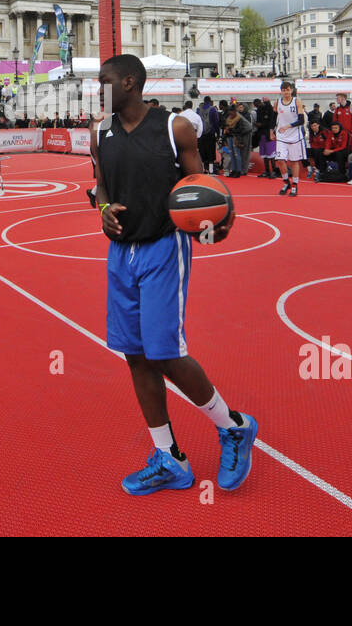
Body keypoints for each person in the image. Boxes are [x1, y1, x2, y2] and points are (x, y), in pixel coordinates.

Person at [91, 54, 256, 495]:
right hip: (121, 253)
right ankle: (170, 458)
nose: (97, 86)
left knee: (164, 352)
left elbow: (204, 187)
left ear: (129, 82)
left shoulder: (173, 127)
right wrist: (104, 209)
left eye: (103, 80)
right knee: (135, 354)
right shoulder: (99, 133)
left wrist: (220, 220)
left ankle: (233, 425)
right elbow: (99, 183)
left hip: (164, 248)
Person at [273, 80, 307, 195]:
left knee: (294, 161)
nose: (286, 92)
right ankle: (286, 181)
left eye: (287, 90)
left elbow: (301, 120)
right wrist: (271, 131)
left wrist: (288, 126)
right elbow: (274, 119)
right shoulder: (277, 102)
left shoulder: (297, 101)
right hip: (281, 135)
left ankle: (295, 184)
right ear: (281, 92)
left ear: (291, 90)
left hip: (294, 136)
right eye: (283, 90)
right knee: (280, 160)